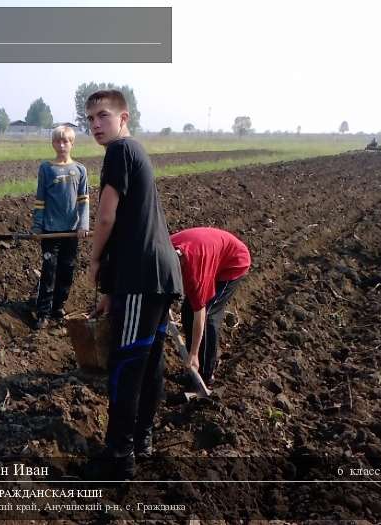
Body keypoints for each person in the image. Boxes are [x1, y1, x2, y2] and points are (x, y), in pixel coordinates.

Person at [86, 90, 183, 479]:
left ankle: (119, 457)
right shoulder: (137, 152)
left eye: (102, 116)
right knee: (150, 361)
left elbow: (107, 218)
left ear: (123, 117)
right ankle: (142, 439)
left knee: (125, 365)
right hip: (159, 274)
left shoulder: (119, 152)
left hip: (142, 278)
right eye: (89, 118)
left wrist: (93, 260)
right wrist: (111, 290)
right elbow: (130, 227)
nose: (95, 125)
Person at [170, 227, 251, 388]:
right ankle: (193, 369)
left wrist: (193, 353)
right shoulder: (163, 250)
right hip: (211, 251)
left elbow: (200, 312)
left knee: (208, 315)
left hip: (233, 263)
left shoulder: (195, 273)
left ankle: (206, 374)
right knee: (187, 311)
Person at [31, 125, 90, 329]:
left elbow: (83, 201)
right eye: (58, 141)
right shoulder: (47, 169)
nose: (62, 145)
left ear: (72, 143)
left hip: (71, 231)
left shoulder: (80, 170)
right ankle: (43, 312)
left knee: (67, 269)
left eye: (65, 141)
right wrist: (37, 227)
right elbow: (41, 200)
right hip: (50, 231)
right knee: (49, 270)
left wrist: (83, 224)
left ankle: (58, 306)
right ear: (53, 144)